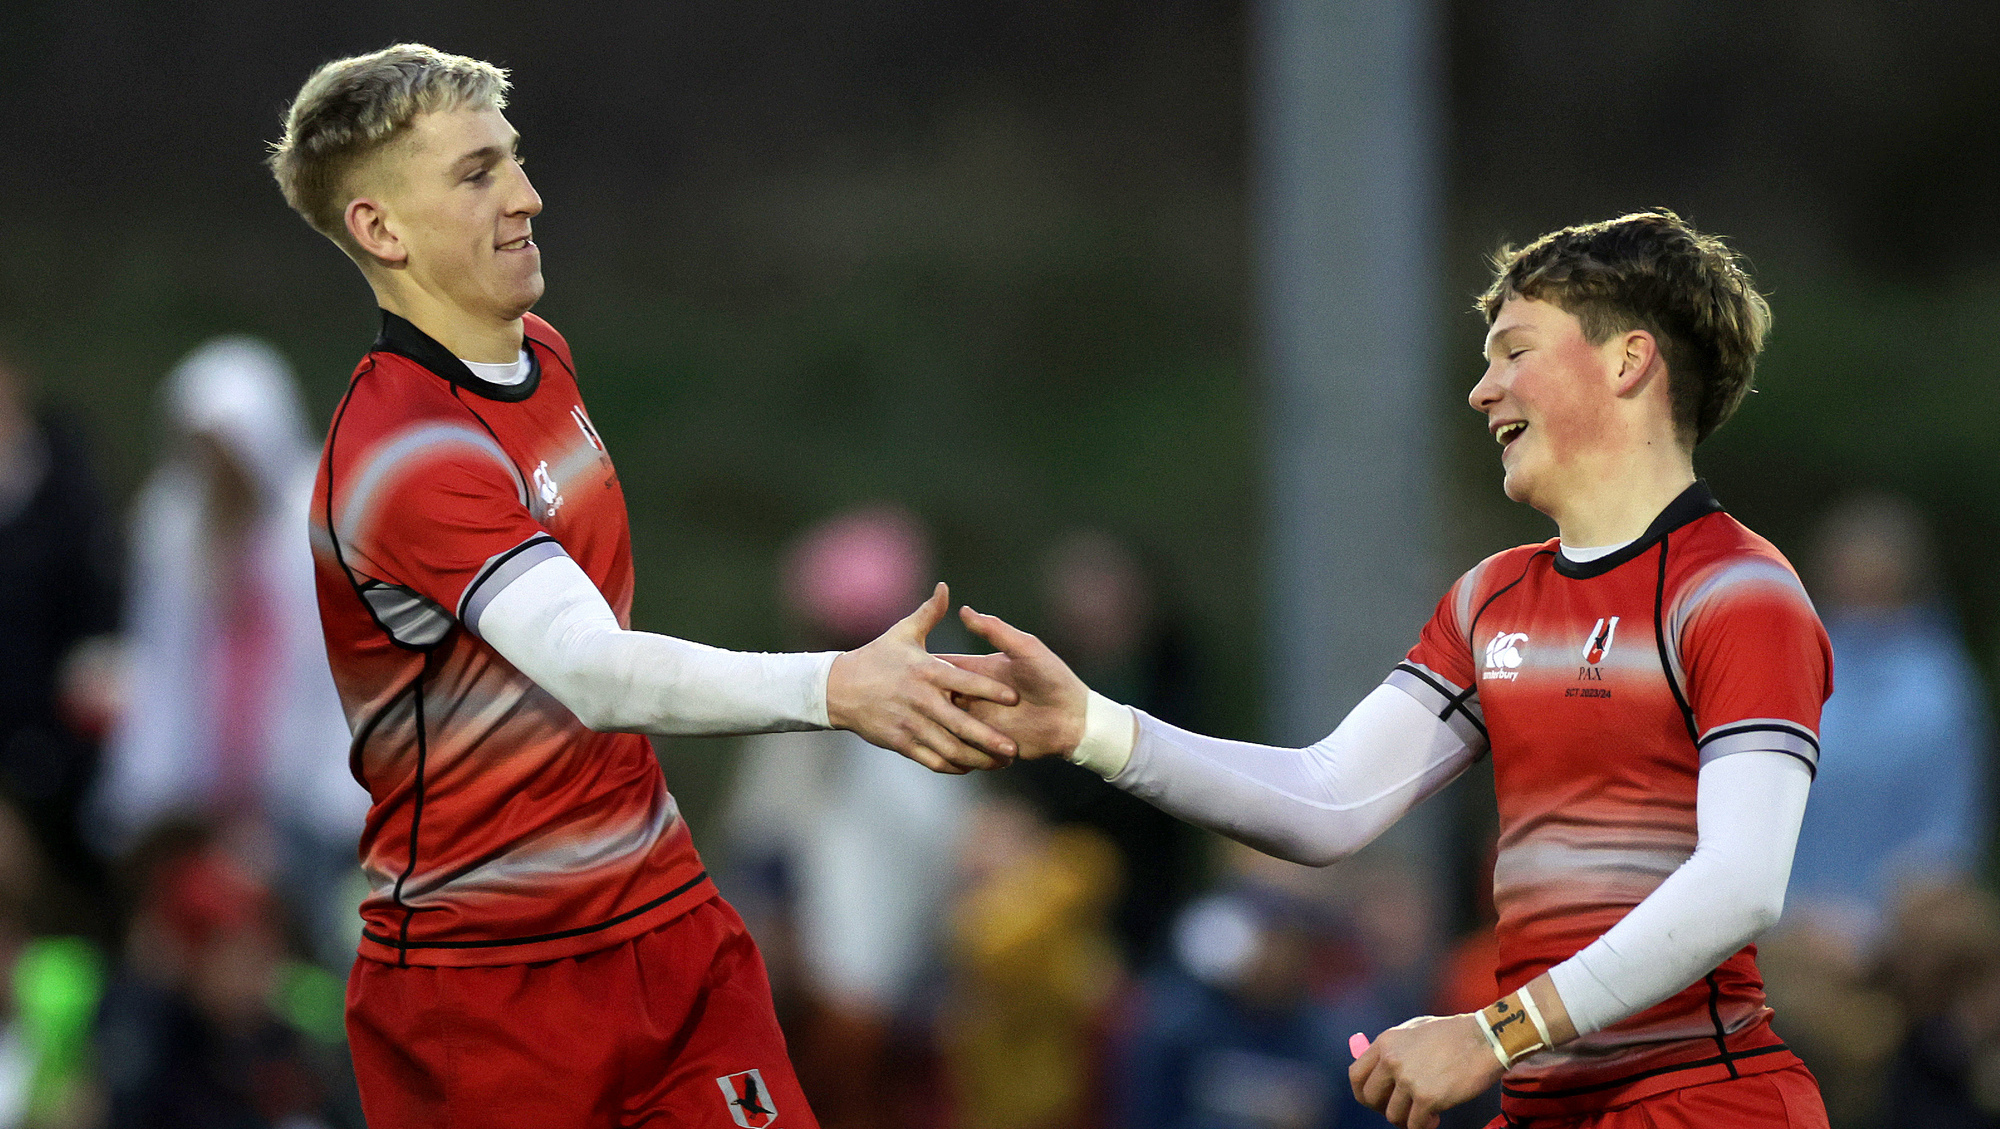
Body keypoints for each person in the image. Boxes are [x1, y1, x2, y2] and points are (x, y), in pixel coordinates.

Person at [264, 44, 1018, 1129]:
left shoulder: (542, 355)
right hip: (488, 986)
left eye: (514, 159)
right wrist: (837, 687)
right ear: (381, 229)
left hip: (665, 927)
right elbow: (594, 671)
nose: (526, 196)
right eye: (476, 174)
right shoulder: (403, 456)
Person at [951, 212, 1832, 1128]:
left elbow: (1740, 883)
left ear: (1628, 362)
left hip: (1703, 1099)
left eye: (1515, 351)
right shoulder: (1491, 597)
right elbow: (1327, 799)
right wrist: (1088, 725)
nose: (1482, 391)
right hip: (1546, 1104)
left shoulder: (1739, 591)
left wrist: (1492, 1032)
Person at [90, 337, 370, 968]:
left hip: (307, 790)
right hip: (206, 785)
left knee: (316, 939)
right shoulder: (174, 522)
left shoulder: (319, 518)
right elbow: (164, 656)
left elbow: (336, 666)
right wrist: (149, 788)